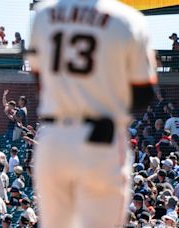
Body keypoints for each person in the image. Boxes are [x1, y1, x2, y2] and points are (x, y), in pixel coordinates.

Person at [27, 0, 157, 227]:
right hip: (100, 138)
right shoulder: (127, 19)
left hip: (54, 136)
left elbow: (40, 81)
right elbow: (144, 94)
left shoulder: (43, 14)